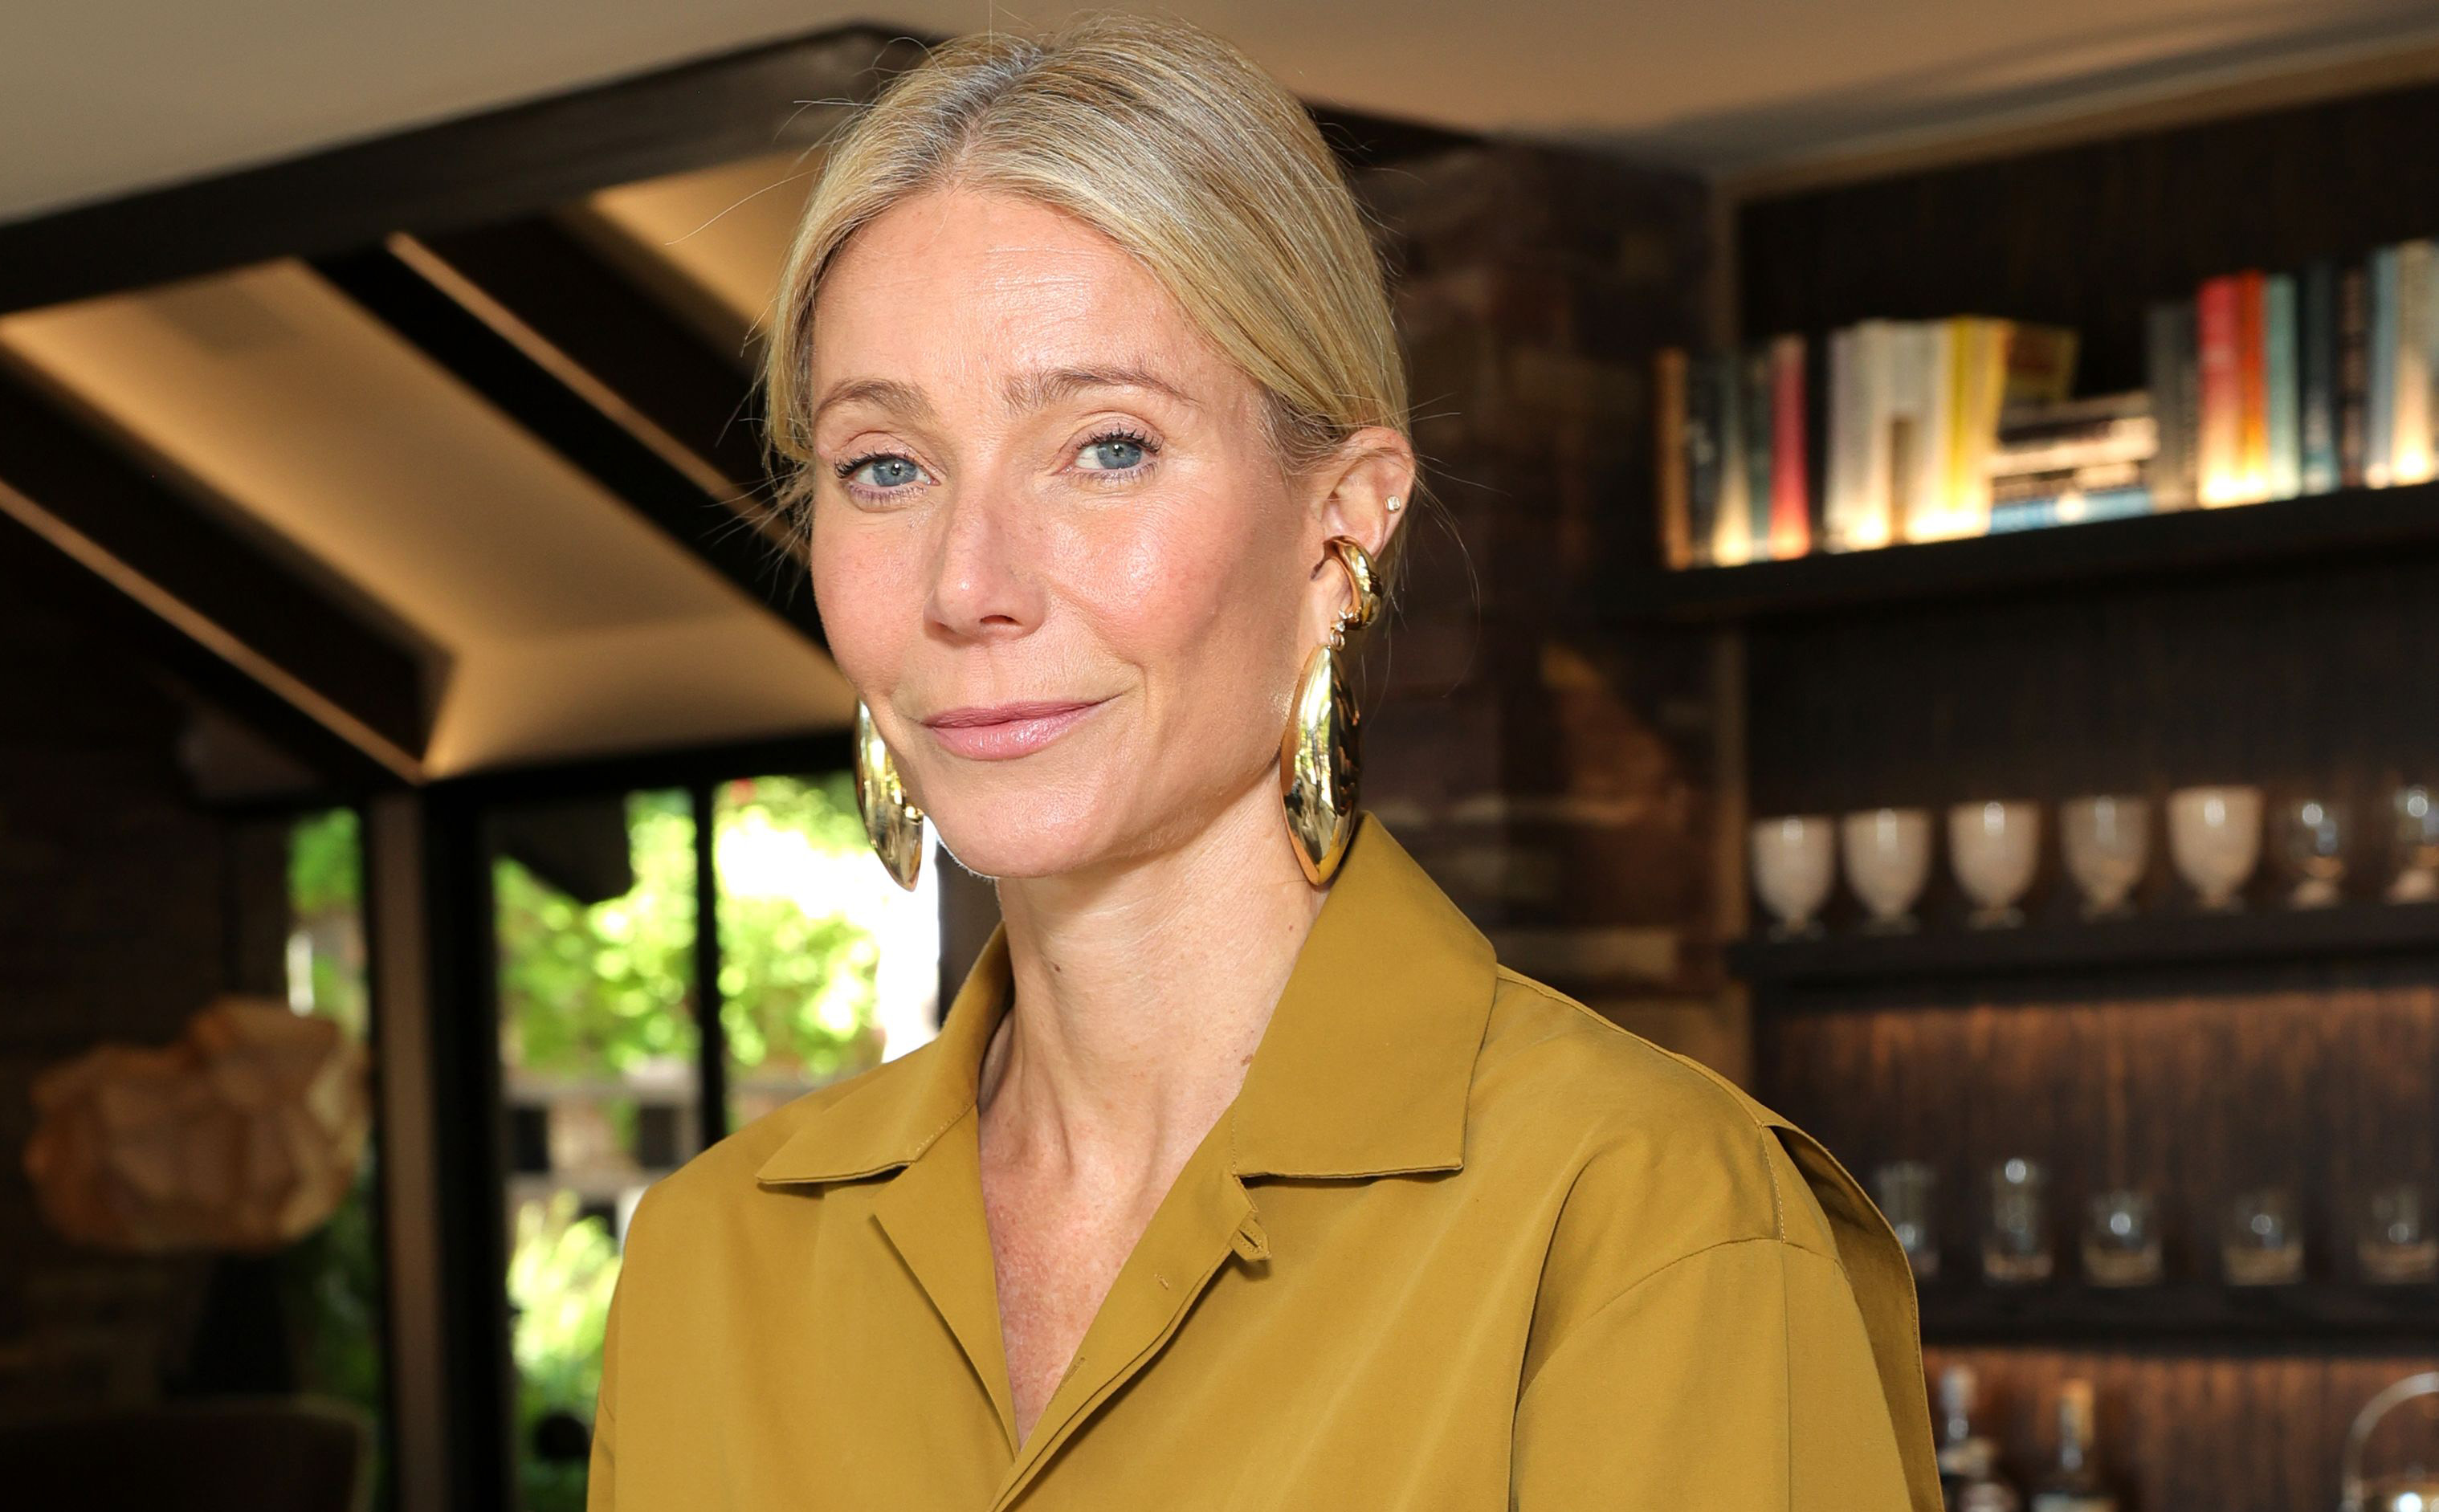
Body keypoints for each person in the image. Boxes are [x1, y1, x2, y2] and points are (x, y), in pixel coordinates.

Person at [587, 14, 1936, 1510]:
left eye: (1106, 447)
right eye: (884, 468)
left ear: (1341, 529)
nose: (969, 583)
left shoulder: (1645, 1221)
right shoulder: (710, 1259)